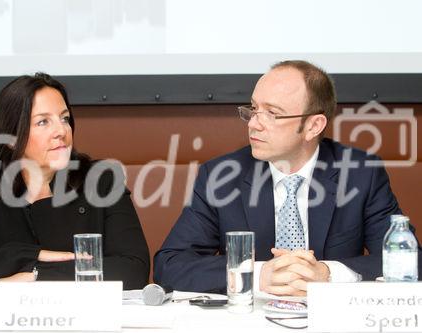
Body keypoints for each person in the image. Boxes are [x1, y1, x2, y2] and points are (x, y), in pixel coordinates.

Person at [154, 60, 422, 295]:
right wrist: (258, 275)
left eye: (273, 113)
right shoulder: (222, 176)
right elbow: (170, 264)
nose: (253, 123)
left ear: (313, 126)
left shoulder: (361, 173)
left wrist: (327, 274)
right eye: (254, 108)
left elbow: (410, 261)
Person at [0, 73, 150, 290]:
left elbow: (133, 269)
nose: (61, 131)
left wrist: (36, 276)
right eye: (43, 122)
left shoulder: (101, 180)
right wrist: (25, 256)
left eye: (64, 118)